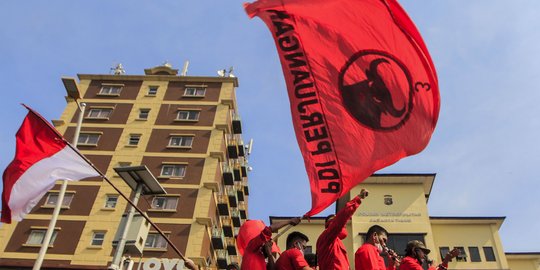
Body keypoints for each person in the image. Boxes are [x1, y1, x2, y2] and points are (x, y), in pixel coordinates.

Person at [316, 189, 369, 270]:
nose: (344, 225)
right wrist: (357, 199)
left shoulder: (335, 242)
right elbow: (340, 219)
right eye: (336, 219)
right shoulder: (327, 236)